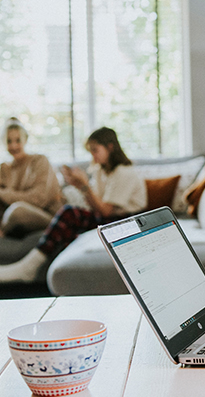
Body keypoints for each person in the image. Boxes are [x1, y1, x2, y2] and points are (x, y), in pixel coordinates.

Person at [0, 126, 147, 284]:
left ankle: (28, 267)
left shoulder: (124, 172)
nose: (93, 156)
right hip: (109, 217)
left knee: (69, 213)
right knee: (69, 226)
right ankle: (41, 272)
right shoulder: (101, 172)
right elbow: (95, 207)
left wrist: (85, 186)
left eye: (95, 150)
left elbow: (106, 211)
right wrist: (80, 186)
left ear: (110, 147)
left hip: (127, 221)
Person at [0, 118, 64, 236]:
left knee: (17, 210)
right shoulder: (4, 168)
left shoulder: (39, 161)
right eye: (9, 141)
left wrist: (4, 194)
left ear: (25, 140)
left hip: (47, 215)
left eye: (18, 140)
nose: (13, 146)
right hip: (13, 220)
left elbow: (38, 199)